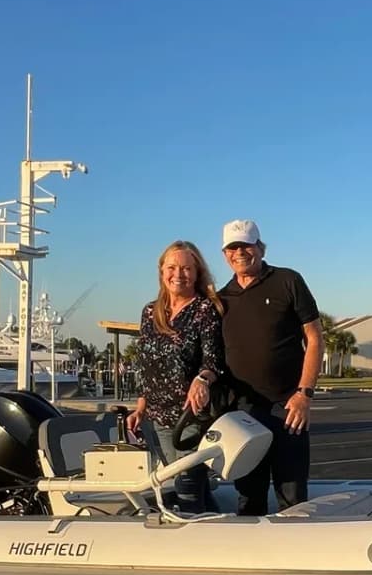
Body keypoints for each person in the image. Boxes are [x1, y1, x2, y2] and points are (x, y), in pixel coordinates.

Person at [217, 219, 322, 515]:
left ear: (260, 248)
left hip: (288, 408)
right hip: (244, 412)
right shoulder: (221, 299)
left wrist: (304, 394)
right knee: (249, 497)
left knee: (292, 496)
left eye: (246, 245)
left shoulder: (288, 280)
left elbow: (314, 338)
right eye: (232, 247)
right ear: (225, 254)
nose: (240, 253)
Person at [125, 240, 225, 513]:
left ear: (197, 272)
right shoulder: (150, 312)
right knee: (190, 484)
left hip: (190, 417)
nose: (178, 274)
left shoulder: (204, 310)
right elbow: (146, 364)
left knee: (187, 487)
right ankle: (223, 528)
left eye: (186, 268)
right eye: (172, 267)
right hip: (159, 417)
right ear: (162, 271)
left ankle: (196, 538)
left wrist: (202, 380)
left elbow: (213, 360)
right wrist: (141, 408)